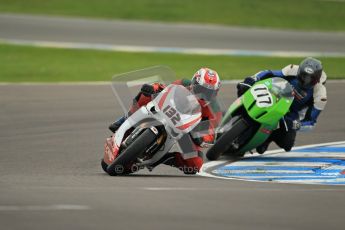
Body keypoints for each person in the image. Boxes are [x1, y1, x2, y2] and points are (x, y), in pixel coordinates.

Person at [108, 67, 222, 174]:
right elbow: (165, 89)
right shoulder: (183, 83)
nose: (202, 95)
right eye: (200, 89)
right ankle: (125, 119)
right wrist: (154, 88)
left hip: (186, 131)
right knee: (146, 94)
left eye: (208, 93)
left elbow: (212, 132)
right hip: (168, 110)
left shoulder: (214, 110)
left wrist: (201, 136)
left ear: (214, 94)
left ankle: (164, 158)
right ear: (193, 84)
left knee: (195, 164)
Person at [236, 57, 327, 154]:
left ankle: (267, 138)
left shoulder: (320, 95)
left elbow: (311, 122)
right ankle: (237, 112)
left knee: (287, 144)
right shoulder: (292, 69)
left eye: (310, 79)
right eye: (304, 76)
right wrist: (251, 80)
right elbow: (269, 73)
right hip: (275, 95)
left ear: (317, 80)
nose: (306, 81)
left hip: (291, 113)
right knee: (243, 88)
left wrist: (296, 124)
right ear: (299, 72)